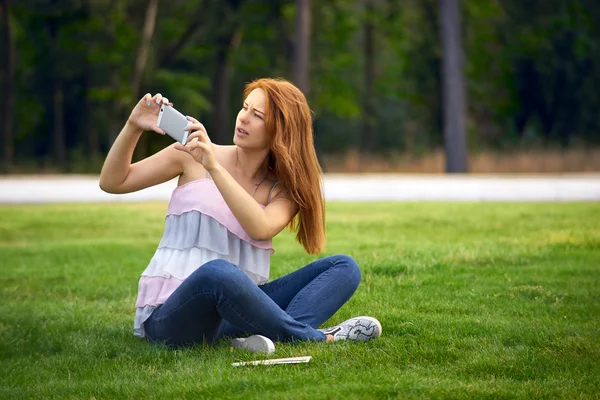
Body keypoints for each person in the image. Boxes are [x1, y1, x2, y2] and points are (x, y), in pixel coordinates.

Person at [99, 78, 381, 353]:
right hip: (172, 317)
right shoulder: (189, 155)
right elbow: (113, 182)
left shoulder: (282, 191)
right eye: (244, 107)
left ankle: (270, 336)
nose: (243, 118)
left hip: (233, 317)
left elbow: (261, 229)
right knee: (217, 271)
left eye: (257, 115)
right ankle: (310, 338)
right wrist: (133, 126)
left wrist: (215, 168)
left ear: (279, 132)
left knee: (345, 267)